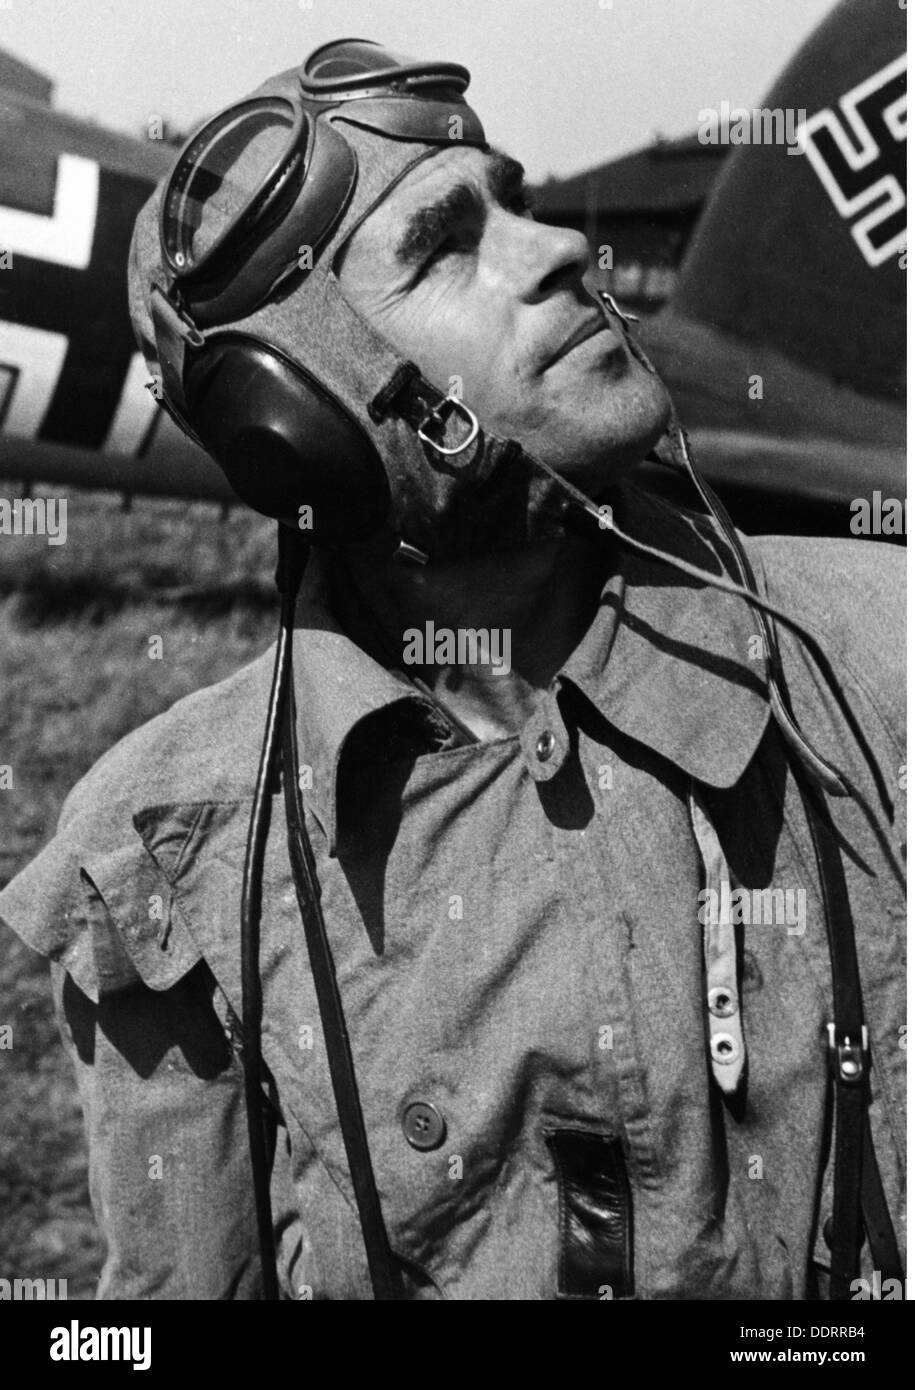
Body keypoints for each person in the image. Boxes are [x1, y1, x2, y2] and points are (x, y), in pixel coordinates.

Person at [0, 38, 904, 1301]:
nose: (559, 250)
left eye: (518, 202)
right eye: (444, 245)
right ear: (298, 428)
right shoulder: (165, 853)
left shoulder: (880, 664)